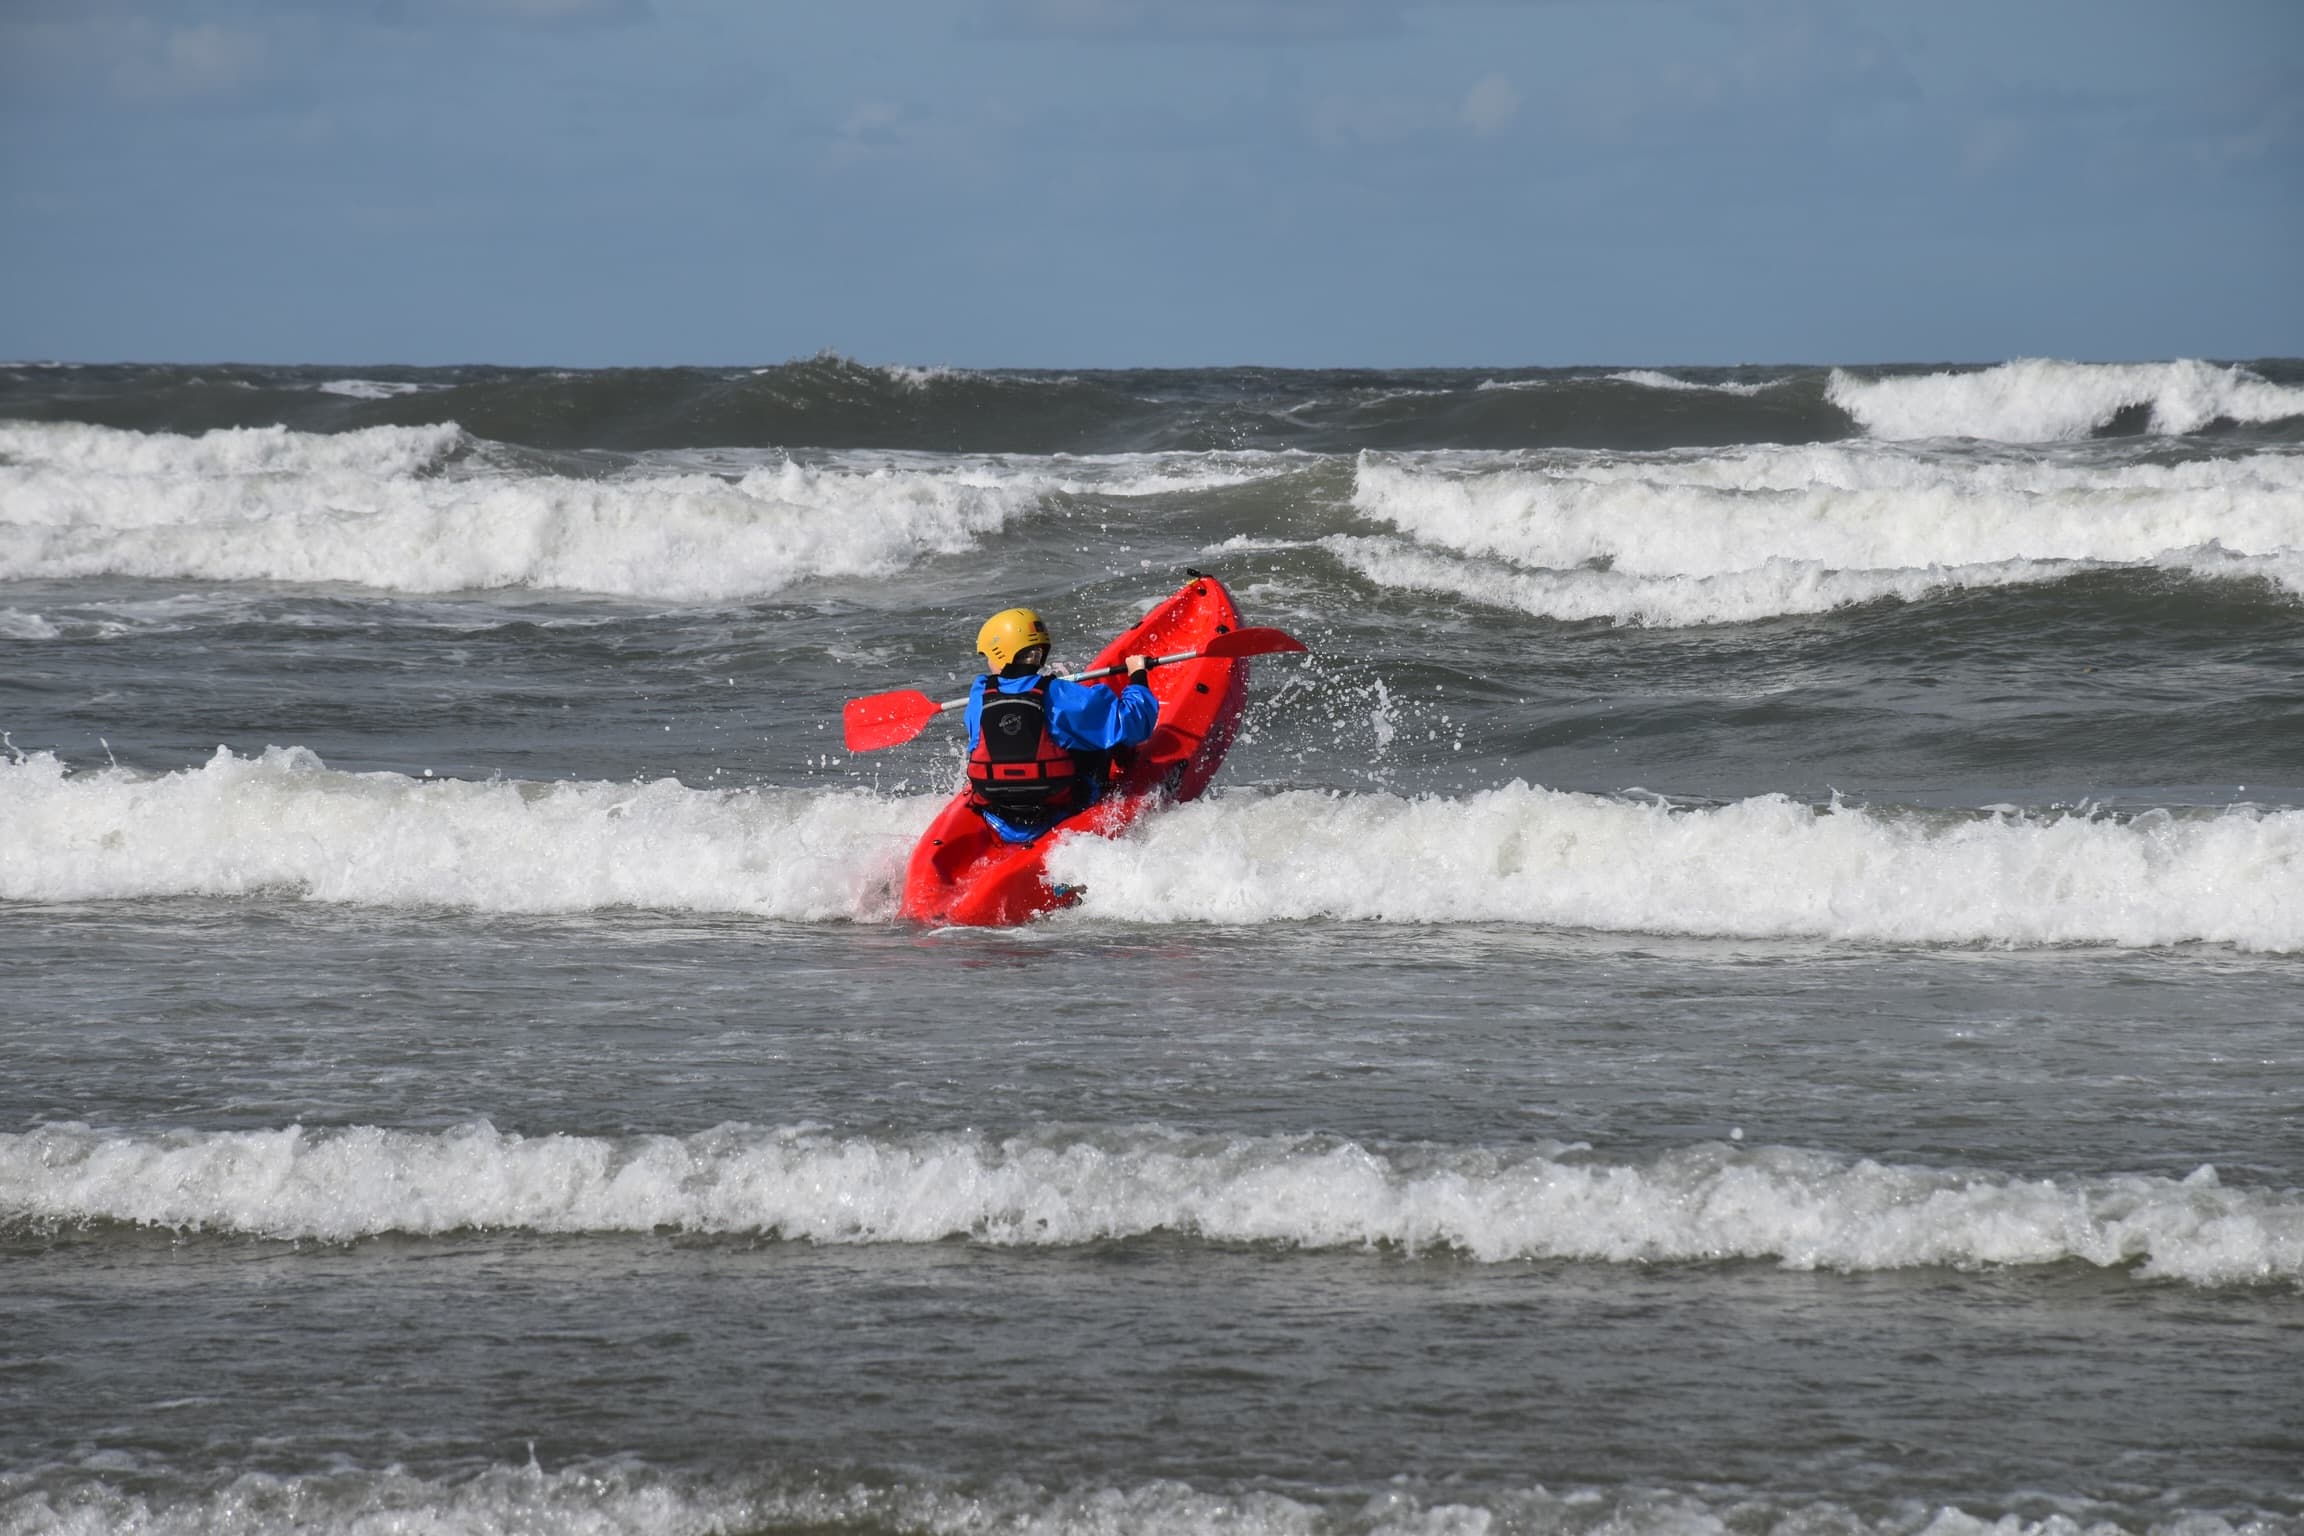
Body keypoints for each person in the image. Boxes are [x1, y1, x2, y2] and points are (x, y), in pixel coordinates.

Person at [964, 607, 1158, 843]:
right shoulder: (1060, 695)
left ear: (1001, 654)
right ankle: (1128, 766)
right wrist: (1137, 676)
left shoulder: (978, 695)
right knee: (1097, 737)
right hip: (1057, 810)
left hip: (997, 814)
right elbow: (1136, 723)